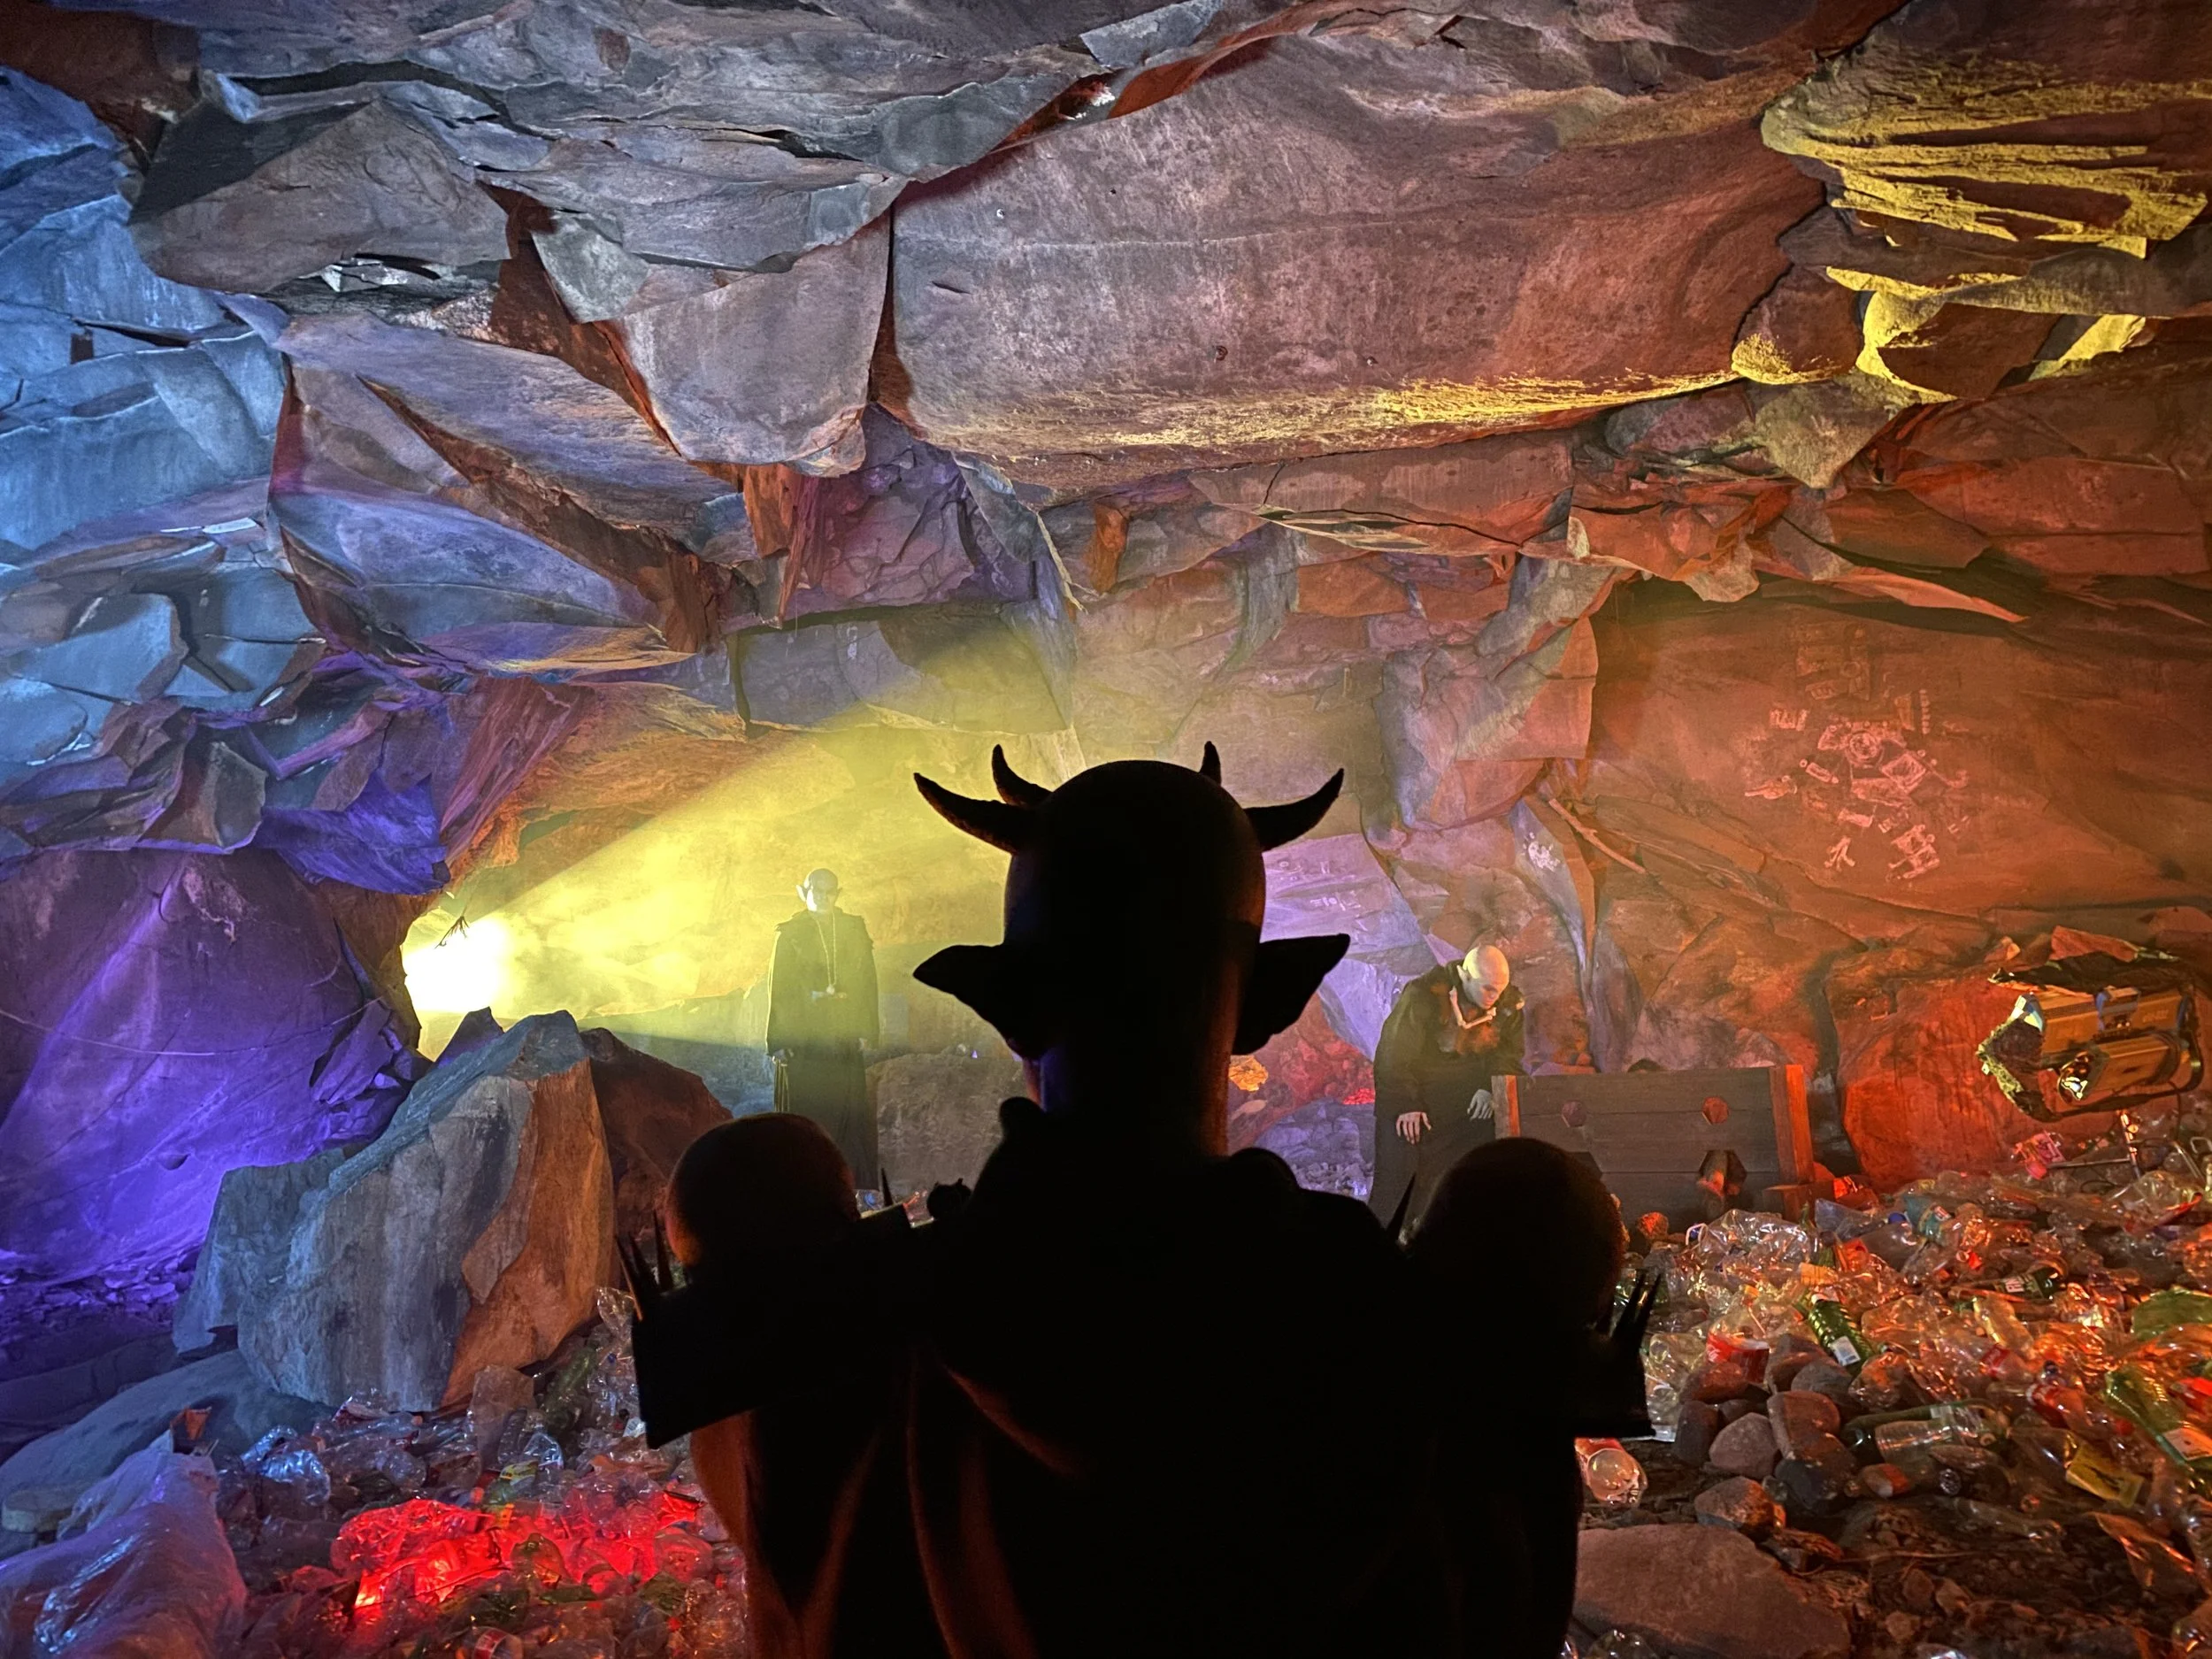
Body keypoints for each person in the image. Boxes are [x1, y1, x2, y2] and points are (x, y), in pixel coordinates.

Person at [625, 745, 1648, 1659]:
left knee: (751, 1178)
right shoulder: (1397, 1329)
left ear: (1007, 1000)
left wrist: (778, 1275)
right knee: (1532, 1200)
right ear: (1264, 1003)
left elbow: (806, 1576)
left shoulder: (847, 1327)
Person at [1371, 943, 1525, 1230]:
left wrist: (1492, 1088)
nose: (1496, 997)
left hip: (1468, 1106)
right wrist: (1406, 1104)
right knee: (1397, 1191)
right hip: (1418, 1103)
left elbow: (1510, 1055)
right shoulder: (1424, 996)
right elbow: (1394, 1054)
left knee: (1466, 1183)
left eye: (1500, 989)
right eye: (1488, 989)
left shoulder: (1507, 1005)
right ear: (1465, 977)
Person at [766, 869, 880, 1186]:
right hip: (804, 1040)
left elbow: (868, 980)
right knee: (807, 1115)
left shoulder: (853, 929)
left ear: (838, 893)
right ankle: (805, 1182)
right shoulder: (790, 933)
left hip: (843, 1035)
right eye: (817, 890)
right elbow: (780, 988)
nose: (824, 896)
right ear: (804, 892)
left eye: (831, 891)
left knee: (848, 1111)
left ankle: (850, 1183)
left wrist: (867, 1029)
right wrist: (779, 1039)